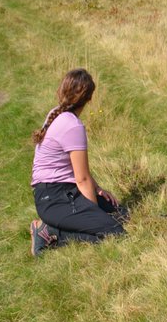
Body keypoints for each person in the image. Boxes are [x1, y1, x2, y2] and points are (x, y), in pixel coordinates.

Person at [29, 68, 124, 255]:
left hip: (61, 191)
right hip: (53, 198)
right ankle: (48, 232)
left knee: (119, 214)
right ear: (88, 99)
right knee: (115, 232)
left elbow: (81, 174)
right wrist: (93, 213)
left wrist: (97, 190)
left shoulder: (56, 113)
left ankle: (58, 227)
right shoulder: (72, 125)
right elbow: (81, 179)